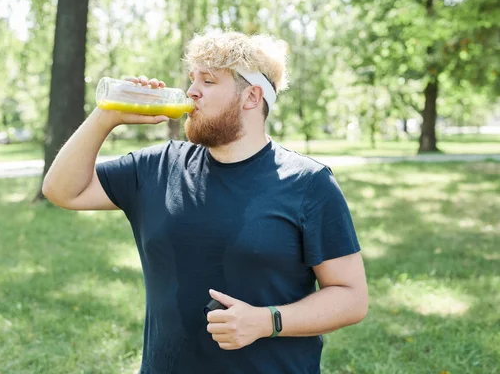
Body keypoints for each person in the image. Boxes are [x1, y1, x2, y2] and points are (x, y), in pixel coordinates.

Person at [42, 31, 368, 374]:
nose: (191, 91)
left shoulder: (308, 183)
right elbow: (63, 190)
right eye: (192, 79)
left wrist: (265, 321)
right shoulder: (159, 167)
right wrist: (106, 115)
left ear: (252, 97)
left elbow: (350, 297)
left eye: (208, 81)